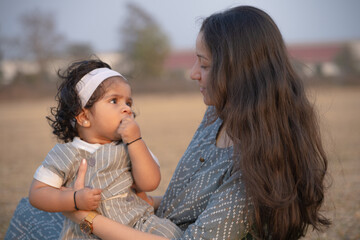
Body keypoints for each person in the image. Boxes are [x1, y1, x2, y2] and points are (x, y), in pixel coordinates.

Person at [5, 5, 330, 240]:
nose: (192, 73)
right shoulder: (216, 116)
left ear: (239, 72)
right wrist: (127, 201)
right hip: (146, 221)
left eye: (203, 64)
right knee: (32, 209)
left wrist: (86, 218)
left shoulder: (253, 174)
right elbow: (182, 199)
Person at [27, 59, 182, 239]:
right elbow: (37, 194)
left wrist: (136, 141)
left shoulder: (131, 146)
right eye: (114, 101)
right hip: (87, 234)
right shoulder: (66, 153)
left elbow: (149, 183)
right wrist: (74, 200)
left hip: (140, 226)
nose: (126, 109)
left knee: (170, 233)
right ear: (84, 117)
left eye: (128, 103)